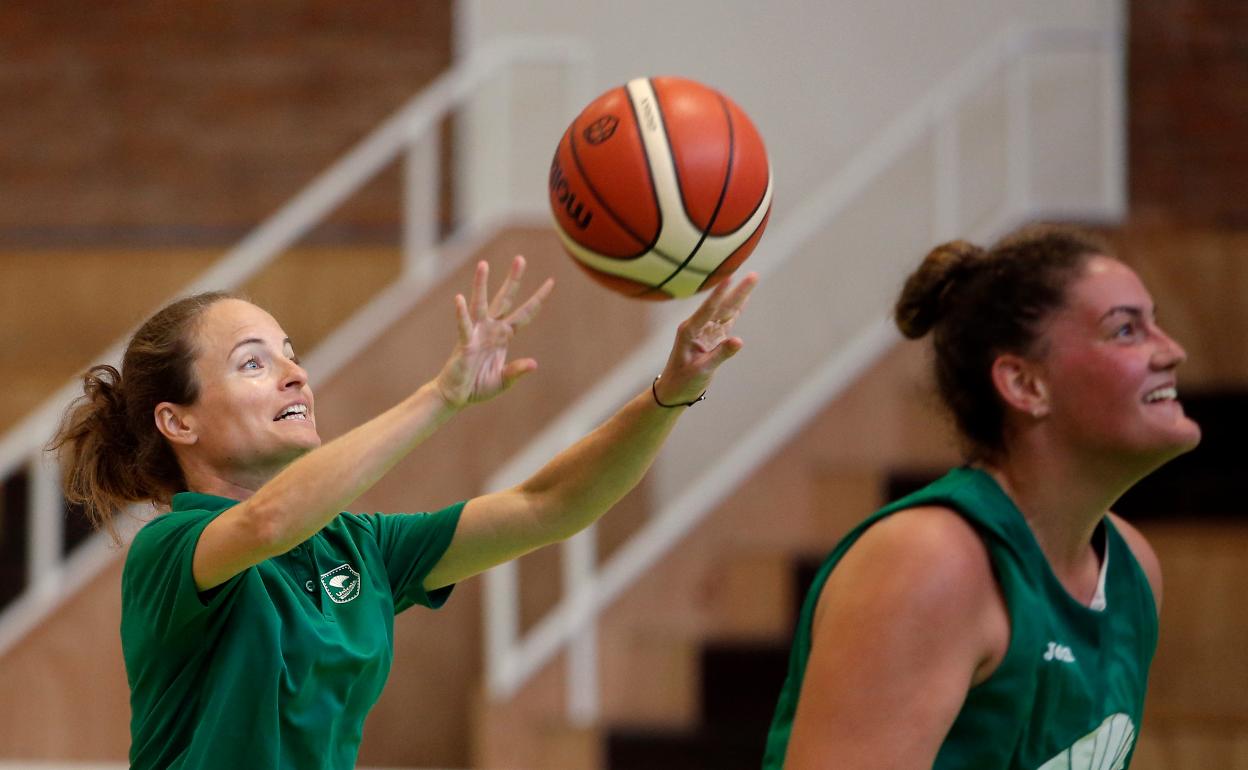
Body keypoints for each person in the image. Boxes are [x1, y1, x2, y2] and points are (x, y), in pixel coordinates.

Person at [50, 255, 758, 770]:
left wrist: (669, 393)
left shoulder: (361, 549)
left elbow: (549, 506)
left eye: (292, 354)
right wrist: (441, 396)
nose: (296, 372)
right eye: (253, 363)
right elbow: (266, 524)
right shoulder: (171, 549)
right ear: (178, 422)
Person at [762, 224, 1200, 769]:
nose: (1172, 351)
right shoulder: (930, 560)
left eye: (1154, 324)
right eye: (1127, 330)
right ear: (1025, 385)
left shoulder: (1132, 567)